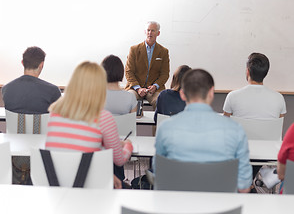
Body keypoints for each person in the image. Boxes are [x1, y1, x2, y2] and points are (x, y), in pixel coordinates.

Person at [154, 69, 252, 193]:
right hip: (222, 208)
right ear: (211, 93)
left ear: (182, 94)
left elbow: (160, 176)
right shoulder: (235, 130)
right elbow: (244, 187)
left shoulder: (165, 128)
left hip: (178, 206)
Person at [45, 61, 133, 189]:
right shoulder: (103, 117)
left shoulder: (55, 113)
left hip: (56, 186)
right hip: (87, 189)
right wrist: (128, 144)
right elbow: (119, 160)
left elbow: (73, 148)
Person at [223, 53, 286, 119]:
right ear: (266, 72)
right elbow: (278, 125)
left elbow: (226, 124)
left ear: (248, 71)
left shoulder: (232, 96)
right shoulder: (279, 98)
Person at [2, 46, 61, 114]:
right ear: (41, 65)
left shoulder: (6, 89)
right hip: (41, 125)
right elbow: (60, 118)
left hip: (15, 125)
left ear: (22, 63)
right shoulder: (53, 91)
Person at [125, 21, 170, 109]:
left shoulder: (163, 51)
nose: (150, 33)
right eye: (148, 30)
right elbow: (128, 71)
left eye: (153, 30)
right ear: (145, 32)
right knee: (127, 99)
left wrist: (155, 86)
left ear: (158, 33)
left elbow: (165, 74)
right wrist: (138, 88)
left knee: (161, 102)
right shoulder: (134, 49)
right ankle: (129, 122)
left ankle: (158, 123)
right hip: (135, 88)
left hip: (154, 90)